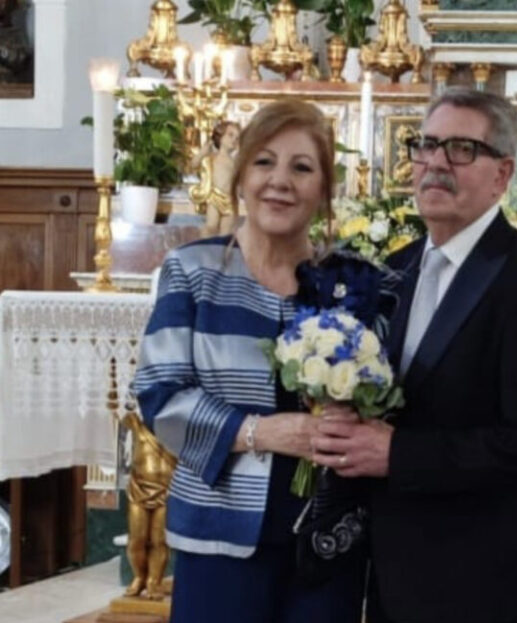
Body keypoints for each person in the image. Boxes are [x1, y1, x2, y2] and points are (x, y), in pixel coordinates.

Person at [313, 88, 517, 623]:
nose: (435, 163)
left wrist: (399, 454)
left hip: (478, 571)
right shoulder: (399, 266)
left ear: (503, 175)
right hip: (390, 563)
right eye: (427, 145)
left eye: (461, 149)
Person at [132, 100, 365, 623]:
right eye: (264, 162)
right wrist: (264, 432)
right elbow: (159, 395)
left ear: (325, 189)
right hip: (219, 535)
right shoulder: (192, 272)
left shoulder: (353, 281)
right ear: (240, 176)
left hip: (330, 539)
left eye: (301, 167)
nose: (279, 181)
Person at [122, 411, 176, 601]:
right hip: (140, 490)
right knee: (136, 539)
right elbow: (114, 408)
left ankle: (154, 580)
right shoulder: (137, 424)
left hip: (167, 491)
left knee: (159, 541)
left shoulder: (177, 428)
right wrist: (112, 383)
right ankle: (139, 577)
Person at [189, 121, 241, 237]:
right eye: (230, 135)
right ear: (220, 137)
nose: (234, 140)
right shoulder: (212, 158)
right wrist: (202, 153)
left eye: (237, 138)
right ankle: (205, 248)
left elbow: (239, 181)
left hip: (231, 200)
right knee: (211, 226)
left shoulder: (235, 163)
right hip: (215, 197)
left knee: (226, 233)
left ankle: (221, 254)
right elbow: (194, 165)